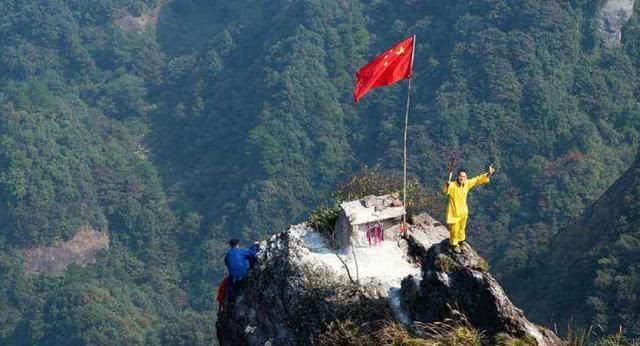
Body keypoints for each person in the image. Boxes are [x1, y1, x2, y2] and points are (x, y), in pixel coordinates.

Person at [443, 164, 495, 253]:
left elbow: (477, 179)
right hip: (454, 212)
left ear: (466, 178)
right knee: (454, 230)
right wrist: (447, 185)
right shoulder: (452, 185)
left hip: (463, 211)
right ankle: (454, 245)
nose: (462, 178)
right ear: (457, 176)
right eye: (460, 176)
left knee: (462, 228)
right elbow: (445, 191)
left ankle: (461, 241)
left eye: (464, 176)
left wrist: (488, 174)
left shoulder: (467, 184)